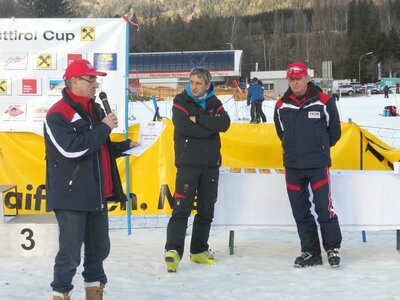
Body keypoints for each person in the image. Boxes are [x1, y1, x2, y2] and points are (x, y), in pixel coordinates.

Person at [44, 59, 139, 300]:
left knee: (98, 251)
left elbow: (99, 148)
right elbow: (73, 149)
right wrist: (105, 128)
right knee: (70, 255)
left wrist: (125, 146)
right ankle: (60, 292)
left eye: (96, 79)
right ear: (74, 82)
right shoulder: (57, 113)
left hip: (96, 193)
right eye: (91, 79)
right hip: (72, 195)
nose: (96, 84)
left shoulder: (94, 109)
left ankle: (94, 292)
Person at [273, 61, 342, 268]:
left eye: (299, 78)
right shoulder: (281, 105)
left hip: (317, 165)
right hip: (293, 166)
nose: (295, 83)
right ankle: (310, 251)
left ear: (307, 78)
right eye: (292, 79)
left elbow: (334, 132)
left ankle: (332, 248)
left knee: (323, 208)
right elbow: (281, 133)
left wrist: (319, 147)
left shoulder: (323, 101)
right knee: (300, 211)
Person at [164, 67, 230, 272]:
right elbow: (184, 127)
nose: (194, 86)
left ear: (208, 85)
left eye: (198, 83)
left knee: (206, 211)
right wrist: (211, 129)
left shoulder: (214, 103)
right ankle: (173, 251)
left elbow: (225, 123)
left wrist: (200, 119)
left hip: (210, 166)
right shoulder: (180, 101)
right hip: (188, 165)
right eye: (191, 82)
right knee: (181, 208)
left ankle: (199, 250)